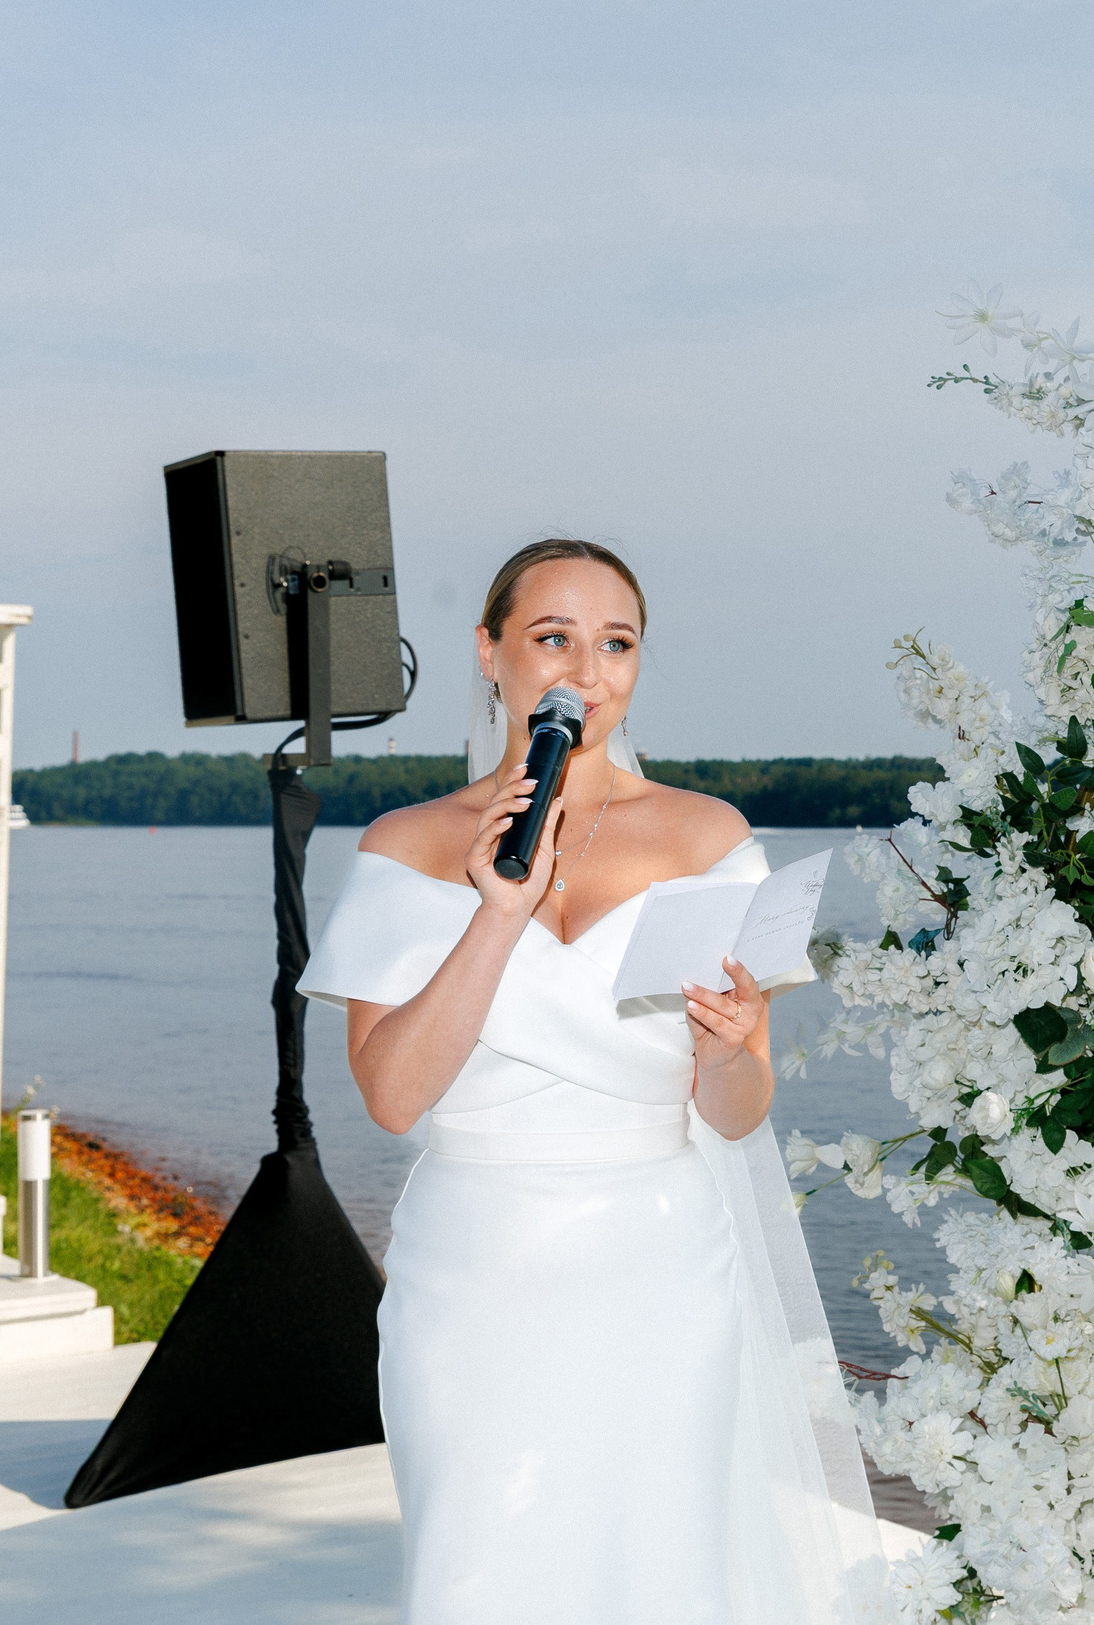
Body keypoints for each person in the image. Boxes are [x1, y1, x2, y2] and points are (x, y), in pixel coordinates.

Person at [298, 537, 883, 1622]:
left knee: (660, 1561)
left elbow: (739, 1111)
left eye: (616, 643)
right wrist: (496, 913)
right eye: (552, 637)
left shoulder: (708, 839)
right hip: (475, 1273)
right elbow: (391, 1099)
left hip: (659, 1268)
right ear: (490, 652)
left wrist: (726, 1045)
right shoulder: (405, 846)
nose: (587, 670)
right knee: (478, 1564)